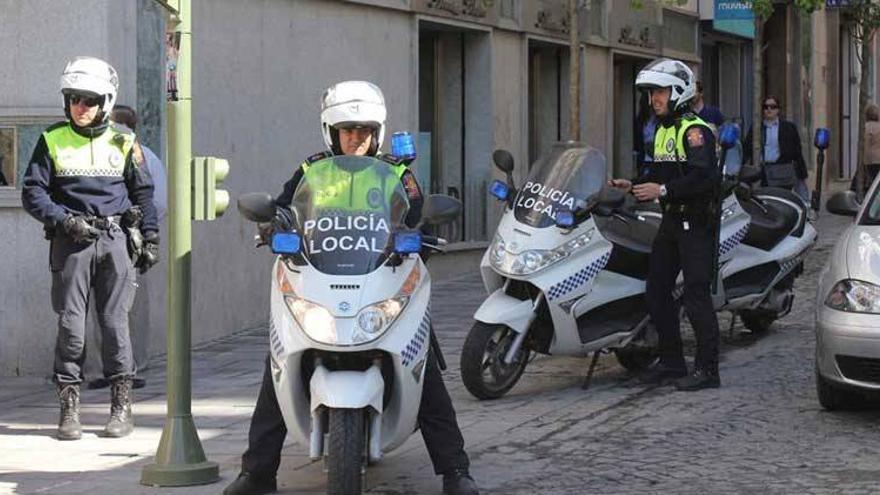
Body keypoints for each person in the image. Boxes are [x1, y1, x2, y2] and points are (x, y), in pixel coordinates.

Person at [223, 80, 478, 495]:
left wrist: (420, 233)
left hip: (382, 277)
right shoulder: (311, 170)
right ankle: (256, 472)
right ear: (331, 131)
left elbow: (418, 217)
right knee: (279, 362)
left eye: (363, 130)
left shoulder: (398, 174)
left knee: (423, 365)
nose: (355, 138)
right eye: (347, 130)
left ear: (377, 132)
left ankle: (456, 471)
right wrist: (274, 225)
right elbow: (288, 209)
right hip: (322, 279)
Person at [21, 57, 159, 440]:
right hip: (71, 242)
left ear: (107, 102)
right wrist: (63, 220)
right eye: (73, 98)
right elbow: (32, 193)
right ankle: (69, 409)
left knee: (115, 327)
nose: (80, 107)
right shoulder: (51, 139)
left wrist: (150, 238)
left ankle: (121, 408)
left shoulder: (125, 141)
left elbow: (143, 193)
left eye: (89, 100)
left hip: (115, 241)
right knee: (71, 328)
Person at [608, 58, 722, 391]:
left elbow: (704, 178)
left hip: (696, 223)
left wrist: (663, 189)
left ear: (679, 92)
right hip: (671, 221)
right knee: (656, 291)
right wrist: (632, 184)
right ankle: (672, 363)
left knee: (696, 295)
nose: (653, 99)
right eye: (651, 93)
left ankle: (707, 370)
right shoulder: (662, 131)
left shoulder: (696, 131)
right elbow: (659, 173)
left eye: (659, 92)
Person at [86, 105, 168, 391]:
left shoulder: (145, 157)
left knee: (127, 308)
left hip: (130, 240)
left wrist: (143, 231)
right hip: (99, 238)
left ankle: (131, 368)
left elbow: (157, 203)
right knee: (101, 308)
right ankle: (102, 369)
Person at [743, 95, 808, 200]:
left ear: (778, 110)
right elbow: (746, 148)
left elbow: (797, 151)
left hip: (782, 171)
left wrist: (801, 174)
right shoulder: (756, 128)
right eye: (766, 107)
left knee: (782, 199)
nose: (769, 109)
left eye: (772, 107)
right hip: (763, 172)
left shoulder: (788, 128)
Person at [850, 103, 880, 197]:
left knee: (858, 184)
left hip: (868, 160)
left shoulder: (865, 127)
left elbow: (864, 144)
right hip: (878, 160)